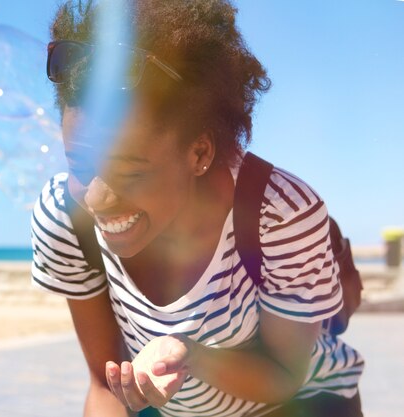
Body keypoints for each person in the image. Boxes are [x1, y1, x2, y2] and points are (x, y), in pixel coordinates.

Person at [30, 1, 364, 416]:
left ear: (199, 152)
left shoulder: (280, 215)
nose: (97, 198)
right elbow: (105, 385)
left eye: (129, 172)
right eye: (79, 165)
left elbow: (281, 376)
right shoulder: (65, 221)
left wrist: (190, 355)